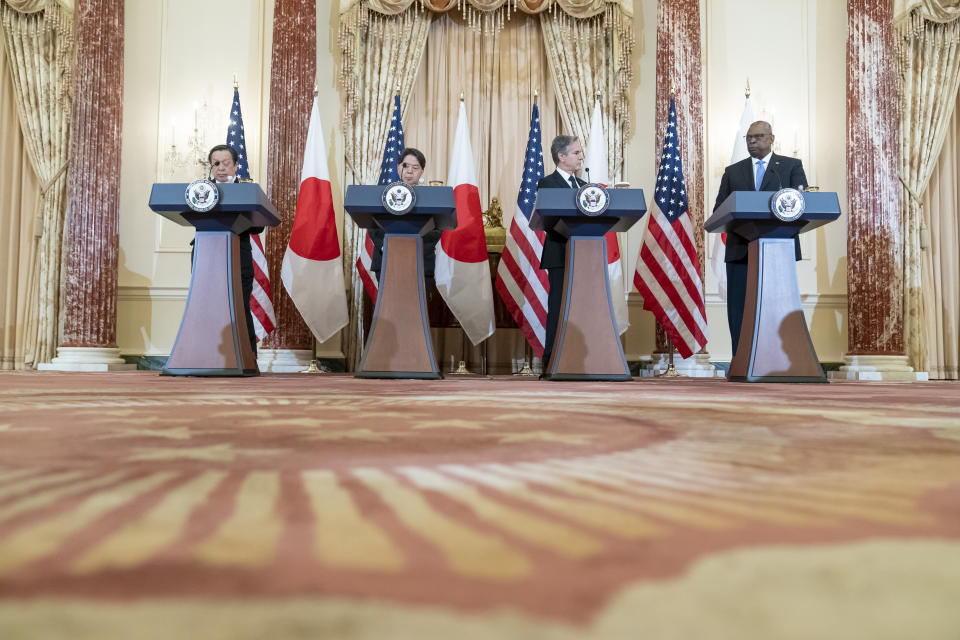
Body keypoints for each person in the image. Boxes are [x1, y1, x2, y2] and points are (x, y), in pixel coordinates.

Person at [713, 120, 807, 355]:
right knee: (740, 309)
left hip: (779, 249)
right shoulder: (733, 172)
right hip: (740, 250)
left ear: (772, 138)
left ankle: (781, 360)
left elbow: (802, 204)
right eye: (749, 138)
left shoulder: (789, 166)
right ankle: (741, 358)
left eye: (758, 136)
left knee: (777, 308)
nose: (752, 141)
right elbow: (719, 210)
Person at [193, 144, 262, 357]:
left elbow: (258, 225)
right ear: (211, 166)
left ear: (236, 166)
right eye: (216, 163)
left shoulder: (247, 190)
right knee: (206, 310)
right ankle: (205, 357)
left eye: (226, 163)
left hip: (237, 258)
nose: (221, 168)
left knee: (239, 309)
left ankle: (248, 358)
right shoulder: (199, 191)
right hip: (206, 257)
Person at [537, 135, 585, 369]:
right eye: (576, 153)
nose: (581, 157)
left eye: (580, 152)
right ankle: (552, 359)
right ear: (561, 156)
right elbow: (549, 220)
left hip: (585, 256)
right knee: (558, 305)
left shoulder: (586, 188)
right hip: (559, 252)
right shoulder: (547, 183)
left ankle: (579, 359)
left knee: (581, 307)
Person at [369, 148, 441, 283]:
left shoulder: (432, 198)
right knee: (388, 304)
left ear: (421, 172)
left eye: (415, 167)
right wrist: (390, 246)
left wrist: (411, 249)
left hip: (421, 263)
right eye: (405, 166)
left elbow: (436, 231)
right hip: (386, 261)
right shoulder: (383, 194)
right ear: (398, 168)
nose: (409, 171)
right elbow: (372, 226)